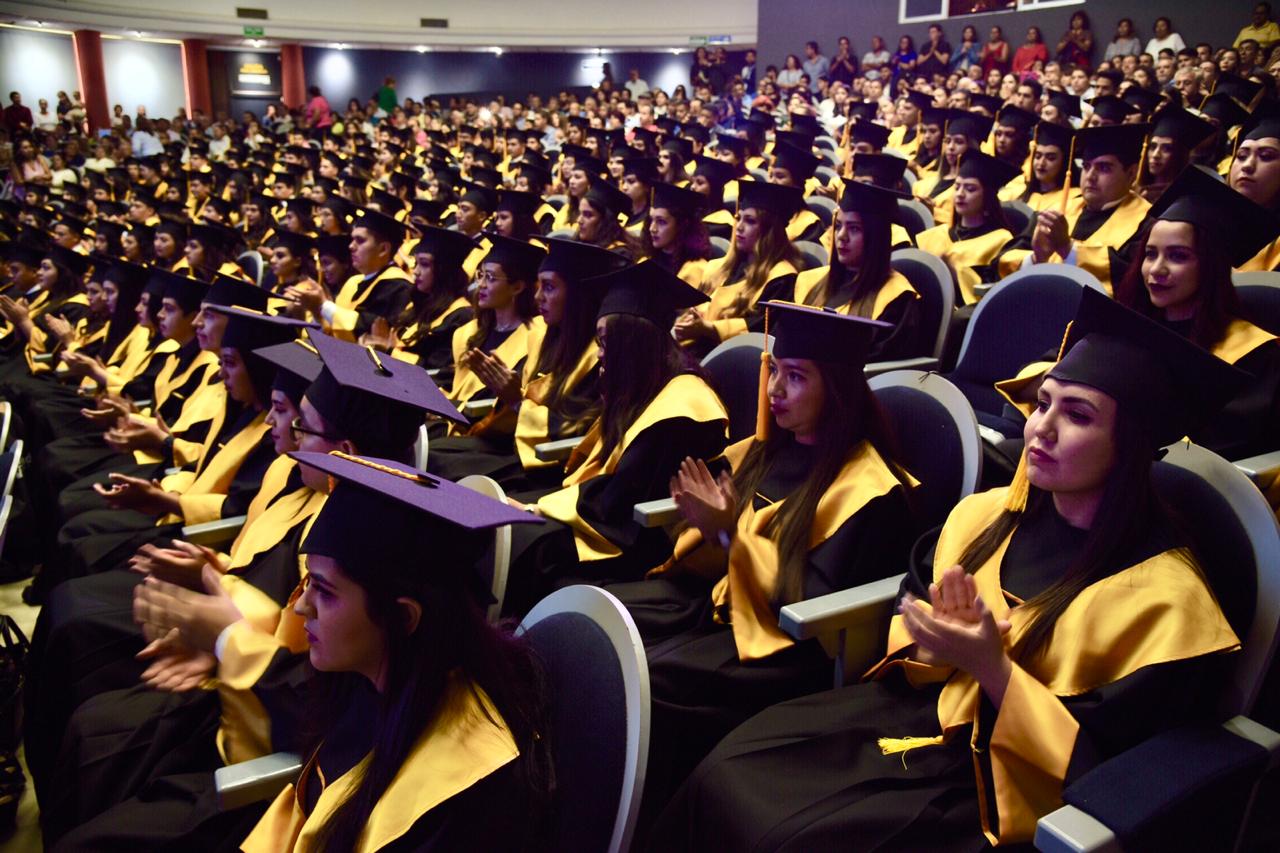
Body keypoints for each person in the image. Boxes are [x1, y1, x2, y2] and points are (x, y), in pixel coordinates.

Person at [653, 283, 1248, 850]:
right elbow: (909, 639)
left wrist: (993, 669)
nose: (1040, 427)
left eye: (1078, 415)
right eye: (1042, 403)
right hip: (918, 715)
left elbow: (1115, 774)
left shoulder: (1166, 601)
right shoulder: (984, 519)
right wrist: (935, 643)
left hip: (1002, 791)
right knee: (727, 771)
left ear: (1132, 445)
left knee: (789, 835)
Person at [611, 300, 919, 829]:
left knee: (646, 684)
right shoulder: (765, 450)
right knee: (612, 630)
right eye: (774, 370)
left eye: (795, 377)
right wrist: (711, 531)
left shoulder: (870, 489)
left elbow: (808, 612)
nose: (774, 389)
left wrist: (731, 534)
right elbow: (713, 563)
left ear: (838, 388)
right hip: (720, 612)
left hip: (782, 651)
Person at [502, 260, 728, 614]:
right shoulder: (646, 387)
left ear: (632, 344)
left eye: (606, 343)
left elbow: (620, 502)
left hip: (645, 540)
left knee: (526, 546)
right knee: (508, 529)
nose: (601, 355)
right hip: (612, 519)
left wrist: (539, 508)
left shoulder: (684, 406)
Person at [427, 238, 623, 488]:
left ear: (577, 295)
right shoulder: (545, 341)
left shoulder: (598, 359)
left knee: (443, 465)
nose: (538, 296)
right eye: (539, 286)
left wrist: (517, 402)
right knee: (436, 452)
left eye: (549, 287)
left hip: (549, 465)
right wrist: (509, 398)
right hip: (518, 446)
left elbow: (576, 431)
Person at [1118, 165, 1280, 460]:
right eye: (1150, 254)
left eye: (1178, 256)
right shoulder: (1131, 325)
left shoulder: (1251, 354)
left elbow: (1220, 450)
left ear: (1212, 265)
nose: (1156, 270)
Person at [1011, 122, 1153, 293]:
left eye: (1104, 168)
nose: (1091, 176)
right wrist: (1037, 258)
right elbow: (1004, 261)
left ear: (1131, 173)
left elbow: (1132, 279)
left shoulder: (1146, 223)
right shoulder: (1056, 210)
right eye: (1086, 166)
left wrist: (1067, 249)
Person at [797, 180, 921, 361]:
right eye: (838, 225)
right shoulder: (810, 281)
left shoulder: (896, 298)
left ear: (876, 236)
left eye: (854, 228)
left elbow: (879, 370)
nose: (841, 236)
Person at [676, 181, 802, 354]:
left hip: (731, 361)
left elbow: (759, 330)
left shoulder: (782, 278)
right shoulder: (719, 268)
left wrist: (709, 329)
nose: (739, 227)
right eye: (738, 218)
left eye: (750, 221)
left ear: (769, 230)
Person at [445, 234, 543, 414]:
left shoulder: (536, 336)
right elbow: (458, 391)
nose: (480, 285)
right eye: (480, 275)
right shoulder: (468, 332)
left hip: (492, 427)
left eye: (490, 278)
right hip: (456, 418)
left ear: (517, 287)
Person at [286, 208, 412, 341]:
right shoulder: (354, 282)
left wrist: (322, 305)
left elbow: (368, 333)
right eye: (352, 240)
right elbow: (331, 331)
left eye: (360, 240)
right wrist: (315, 311)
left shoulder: (400, 288)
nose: (351, 246)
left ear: (383, 249)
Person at [917, 151, 1021, 304]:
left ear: (987, 196)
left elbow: (990, 292)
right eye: (957, 187)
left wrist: (951, 271)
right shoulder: (935, 234)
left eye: (970, 189)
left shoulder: (1000, 240)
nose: (960, 194)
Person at [1135, 106, 1216, 204]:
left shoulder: (1183, 199)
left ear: (1179, 155)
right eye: (1152, 147)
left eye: (1166, 149)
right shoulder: (1134, 190)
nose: (1156, 155)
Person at [645, 181, 713, 291]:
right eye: (651, 220)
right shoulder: (649, 260)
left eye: (661, 222)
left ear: (682, 224)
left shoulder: (695, 270)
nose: (652, 228)